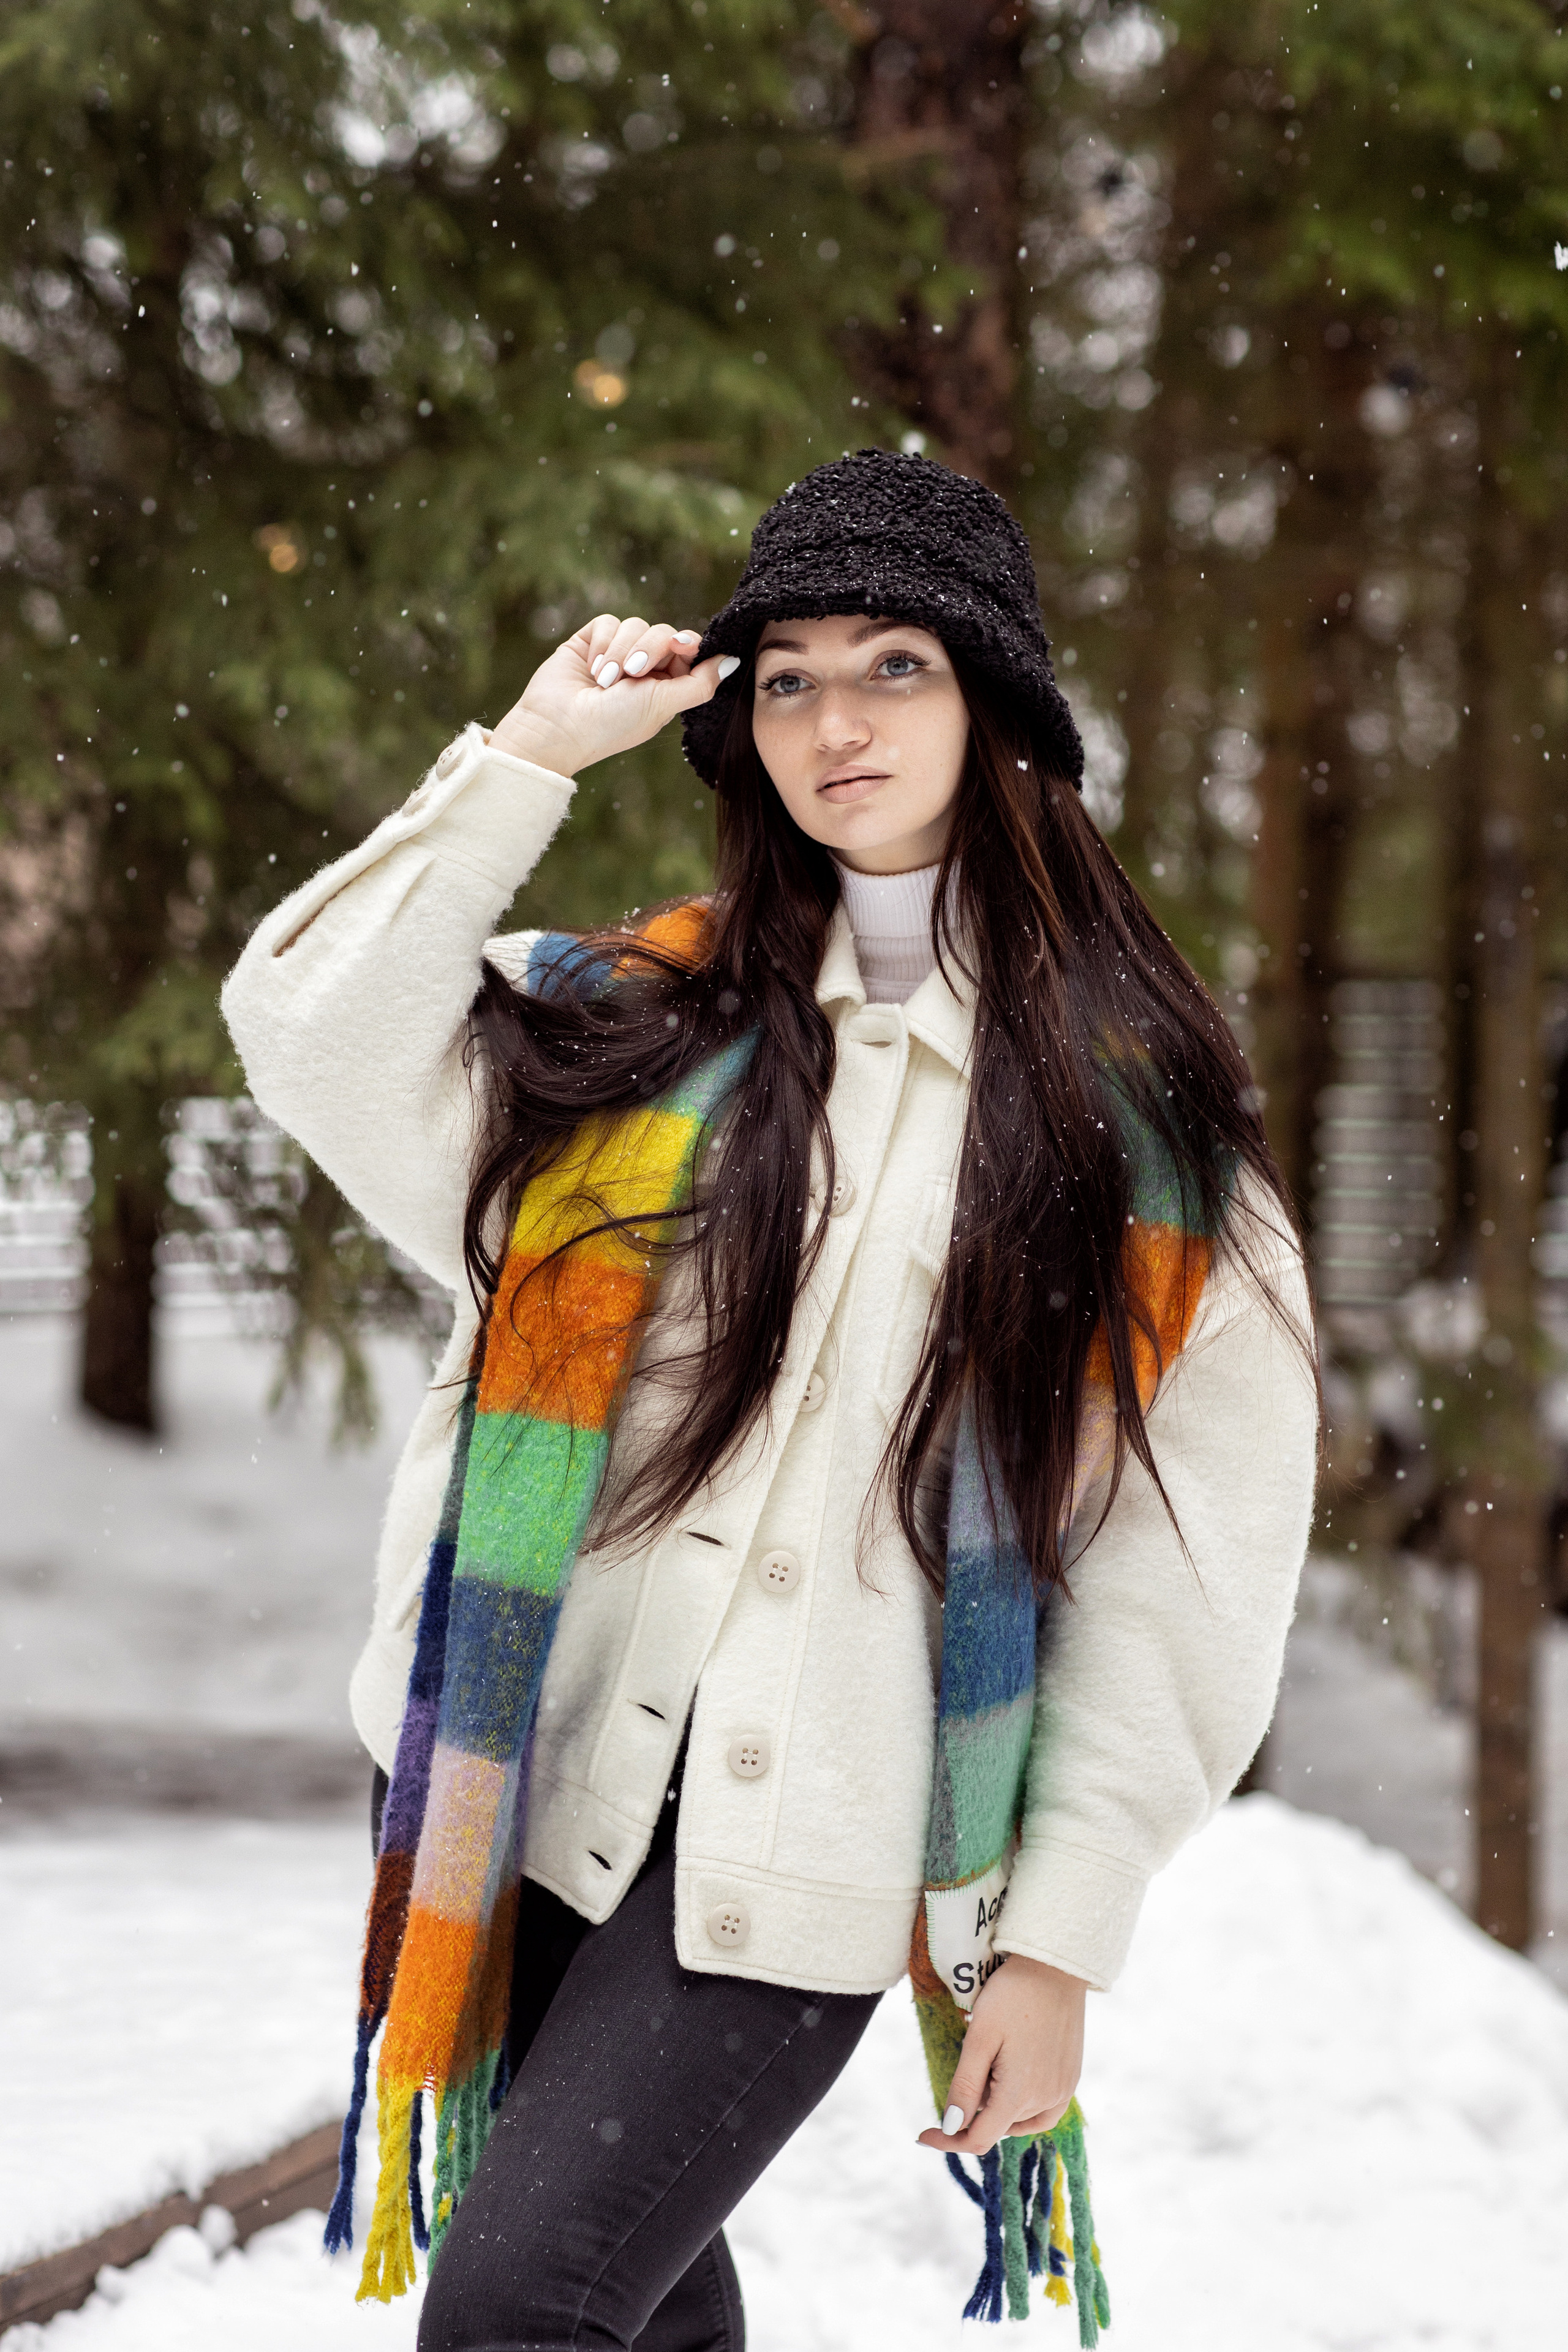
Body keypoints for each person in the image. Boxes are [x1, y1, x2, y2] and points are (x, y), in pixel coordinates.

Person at [222, 448, 1317, 2351]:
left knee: (519, 2312)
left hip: (804, 1848)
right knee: (636, 2320)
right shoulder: (628, 1024)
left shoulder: (1136, 1133)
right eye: (789, 675)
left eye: (894, 664)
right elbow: (312, 1029)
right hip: (525, 1780)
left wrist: (1053, 1943)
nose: (837, 720)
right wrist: (533, 756)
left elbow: (1183, 1578)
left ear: (996, 709)